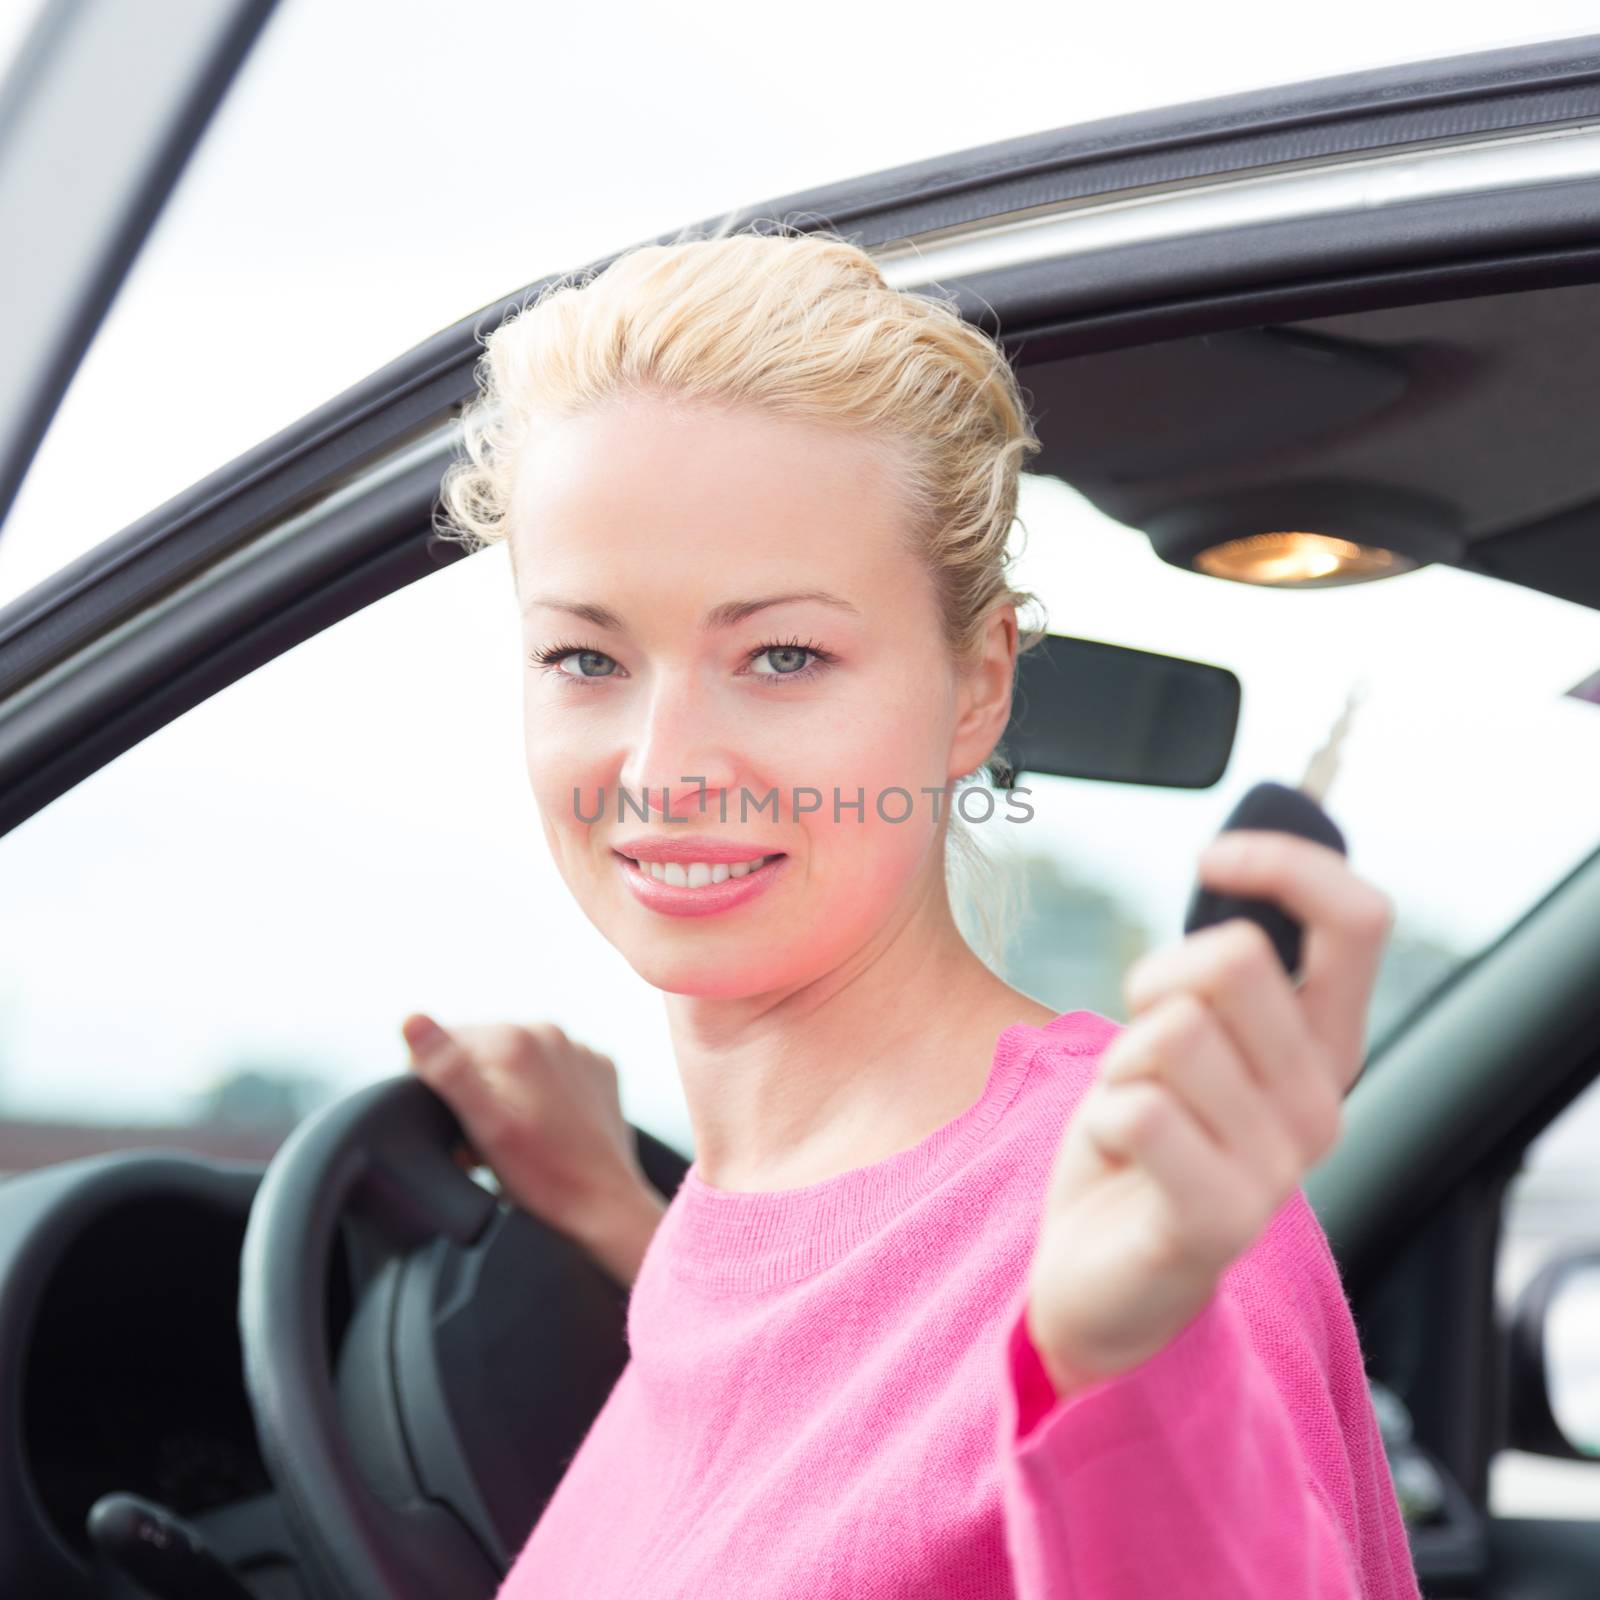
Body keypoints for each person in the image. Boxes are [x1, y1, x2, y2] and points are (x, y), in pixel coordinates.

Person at [398, 223, 1422, 1598]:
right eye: (586, 655)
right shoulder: (726, 1215)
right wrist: (609, 1207)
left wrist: (1129, 1371)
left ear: (981, 685)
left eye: (782, 655)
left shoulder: (1134, 1210)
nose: (663, 768)